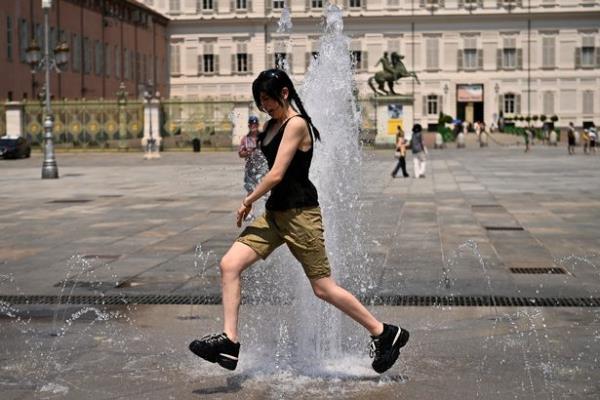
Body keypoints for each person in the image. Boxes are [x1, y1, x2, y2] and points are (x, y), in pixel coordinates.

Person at [188, 68, 409, 373]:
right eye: (260, 100)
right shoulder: (271, 125)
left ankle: (384, 333)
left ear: (285, 93)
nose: (265, 105)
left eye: (268, 98)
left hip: (301, 217)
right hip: (276, 216)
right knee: (229, 265)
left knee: (323, 288)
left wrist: (247, 200)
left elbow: (277, 173)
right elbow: (256, 153)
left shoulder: (296, 124)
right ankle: (230, 342)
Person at [238, 115, 268, 219]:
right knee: (250, 190)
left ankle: (267, 212)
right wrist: (246, 152)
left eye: (255, 124)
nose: (253, 126)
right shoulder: (245, 139)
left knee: (265, 190)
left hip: (263, 167)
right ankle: (250, 212)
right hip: (250, 168)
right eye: (251, 124)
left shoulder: (263, 137)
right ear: (249, 125)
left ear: (258, 125)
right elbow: (240, 153)